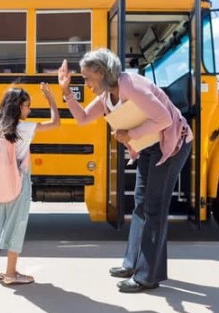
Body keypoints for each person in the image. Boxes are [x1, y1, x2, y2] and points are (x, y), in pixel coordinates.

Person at [58, 48, 193, 293]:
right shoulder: (107, 96)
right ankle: (133, 264)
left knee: (154, 207)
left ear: (100, 72)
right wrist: (66, 92)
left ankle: (147, 277)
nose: (86, 83)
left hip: (172, 144)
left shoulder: (130, 85)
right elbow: (83, 118)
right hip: (150, 145)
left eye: (87, 78)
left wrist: (130, 135)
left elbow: (164, 119)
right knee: (140, 204)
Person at [0, 83, 60, 285]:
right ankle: (11, 272)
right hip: (18, 181)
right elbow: (55, 123)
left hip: (1, 182)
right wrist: (51, 99)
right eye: (27, 106)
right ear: (17, 107)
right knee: (17, 224)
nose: (29, 110)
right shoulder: (23, 128)